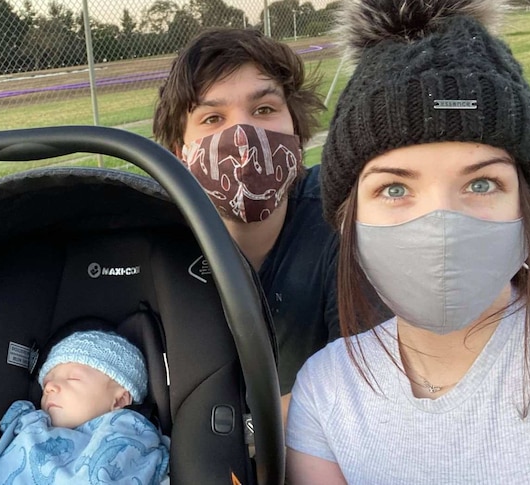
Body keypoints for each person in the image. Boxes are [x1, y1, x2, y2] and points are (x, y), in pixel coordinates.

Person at [286, 0, 530, 483]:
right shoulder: (326, 393)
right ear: (349, 219)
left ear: (526, 206)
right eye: (395, 188)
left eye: (481, 184)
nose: (440, 225)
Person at [153, 28, 389, 422]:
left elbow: (365, 388)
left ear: (296, 128)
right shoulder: (160, 242)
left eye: (264, 110)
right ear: (181, 153)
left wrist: (237, 437)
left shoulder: (340, 217)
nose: (243, 136)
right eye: (213, 118)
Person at [0, 330, 170, 484]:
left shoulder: (129, 438)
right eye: (46, 383)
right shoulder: (31, 426)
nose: (49, 387)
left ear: (118, 402)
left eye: (72, 378)